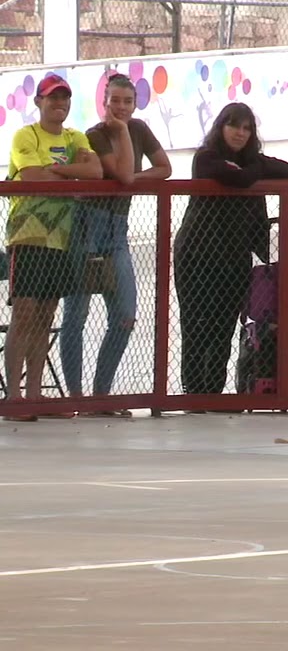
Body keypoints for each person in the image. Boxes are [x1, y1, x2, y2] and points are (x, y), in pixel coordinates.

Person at [61, 73, 172, 417]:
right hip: (86, 226)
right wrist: (122, 135)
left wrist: (135, 177)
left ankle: (101, 396)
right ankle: (76, 397)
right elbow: (120, 175)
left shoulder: (140, 129)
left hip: (117, 228)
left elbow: (164, 168)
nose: (122, 107)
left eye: (128, 101)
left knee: (124, 315)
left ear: (135, 103)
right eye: (115, 101)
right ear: (104, 102)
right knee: (76, 316)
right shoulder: (95, 134)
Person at [174, 103, 288, 398]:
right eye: (234, 126)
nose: (240, 133)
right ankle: (194, 391)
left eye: (246, 128)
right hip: (197, 255)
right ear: (221, 127)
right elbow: (237, 178)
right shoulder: (205, 158)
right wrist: (254, 169)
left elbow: (287, 171)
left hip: (233, 257)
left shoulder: (250, 163)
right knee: (195, 325)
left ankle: (213, 392)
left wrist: (252, 167)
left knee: (224, 328)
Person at [4, 75, 103, 421]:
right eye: (52, 98)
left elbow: (95, 171)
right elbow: (31, 177)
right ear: (39, 102)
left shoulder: (75, 137)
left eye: (64, 98)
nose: (59, 104)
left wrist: (56, 170)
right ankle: (14, 397)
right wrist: (69, 175)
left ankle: (35, 394)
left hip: (61, 238)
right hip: (28, 235)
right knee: (25, 312)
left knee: (46, 314)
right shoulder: (26, 135)